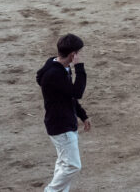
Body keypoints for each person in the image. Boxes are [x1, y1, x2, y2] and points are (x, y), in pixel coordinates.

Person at [36, 33, 90, 192]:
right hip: (61, 125)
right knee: (73, 165)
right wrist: (79, 68)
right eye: (79, 53)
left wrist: (82, 115)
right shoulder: (55, 74)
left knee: (63, 162)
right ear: (73, 54)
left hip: (61, 122)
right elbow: (77, 92)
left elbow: (69, 96)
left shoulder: (57, 66)